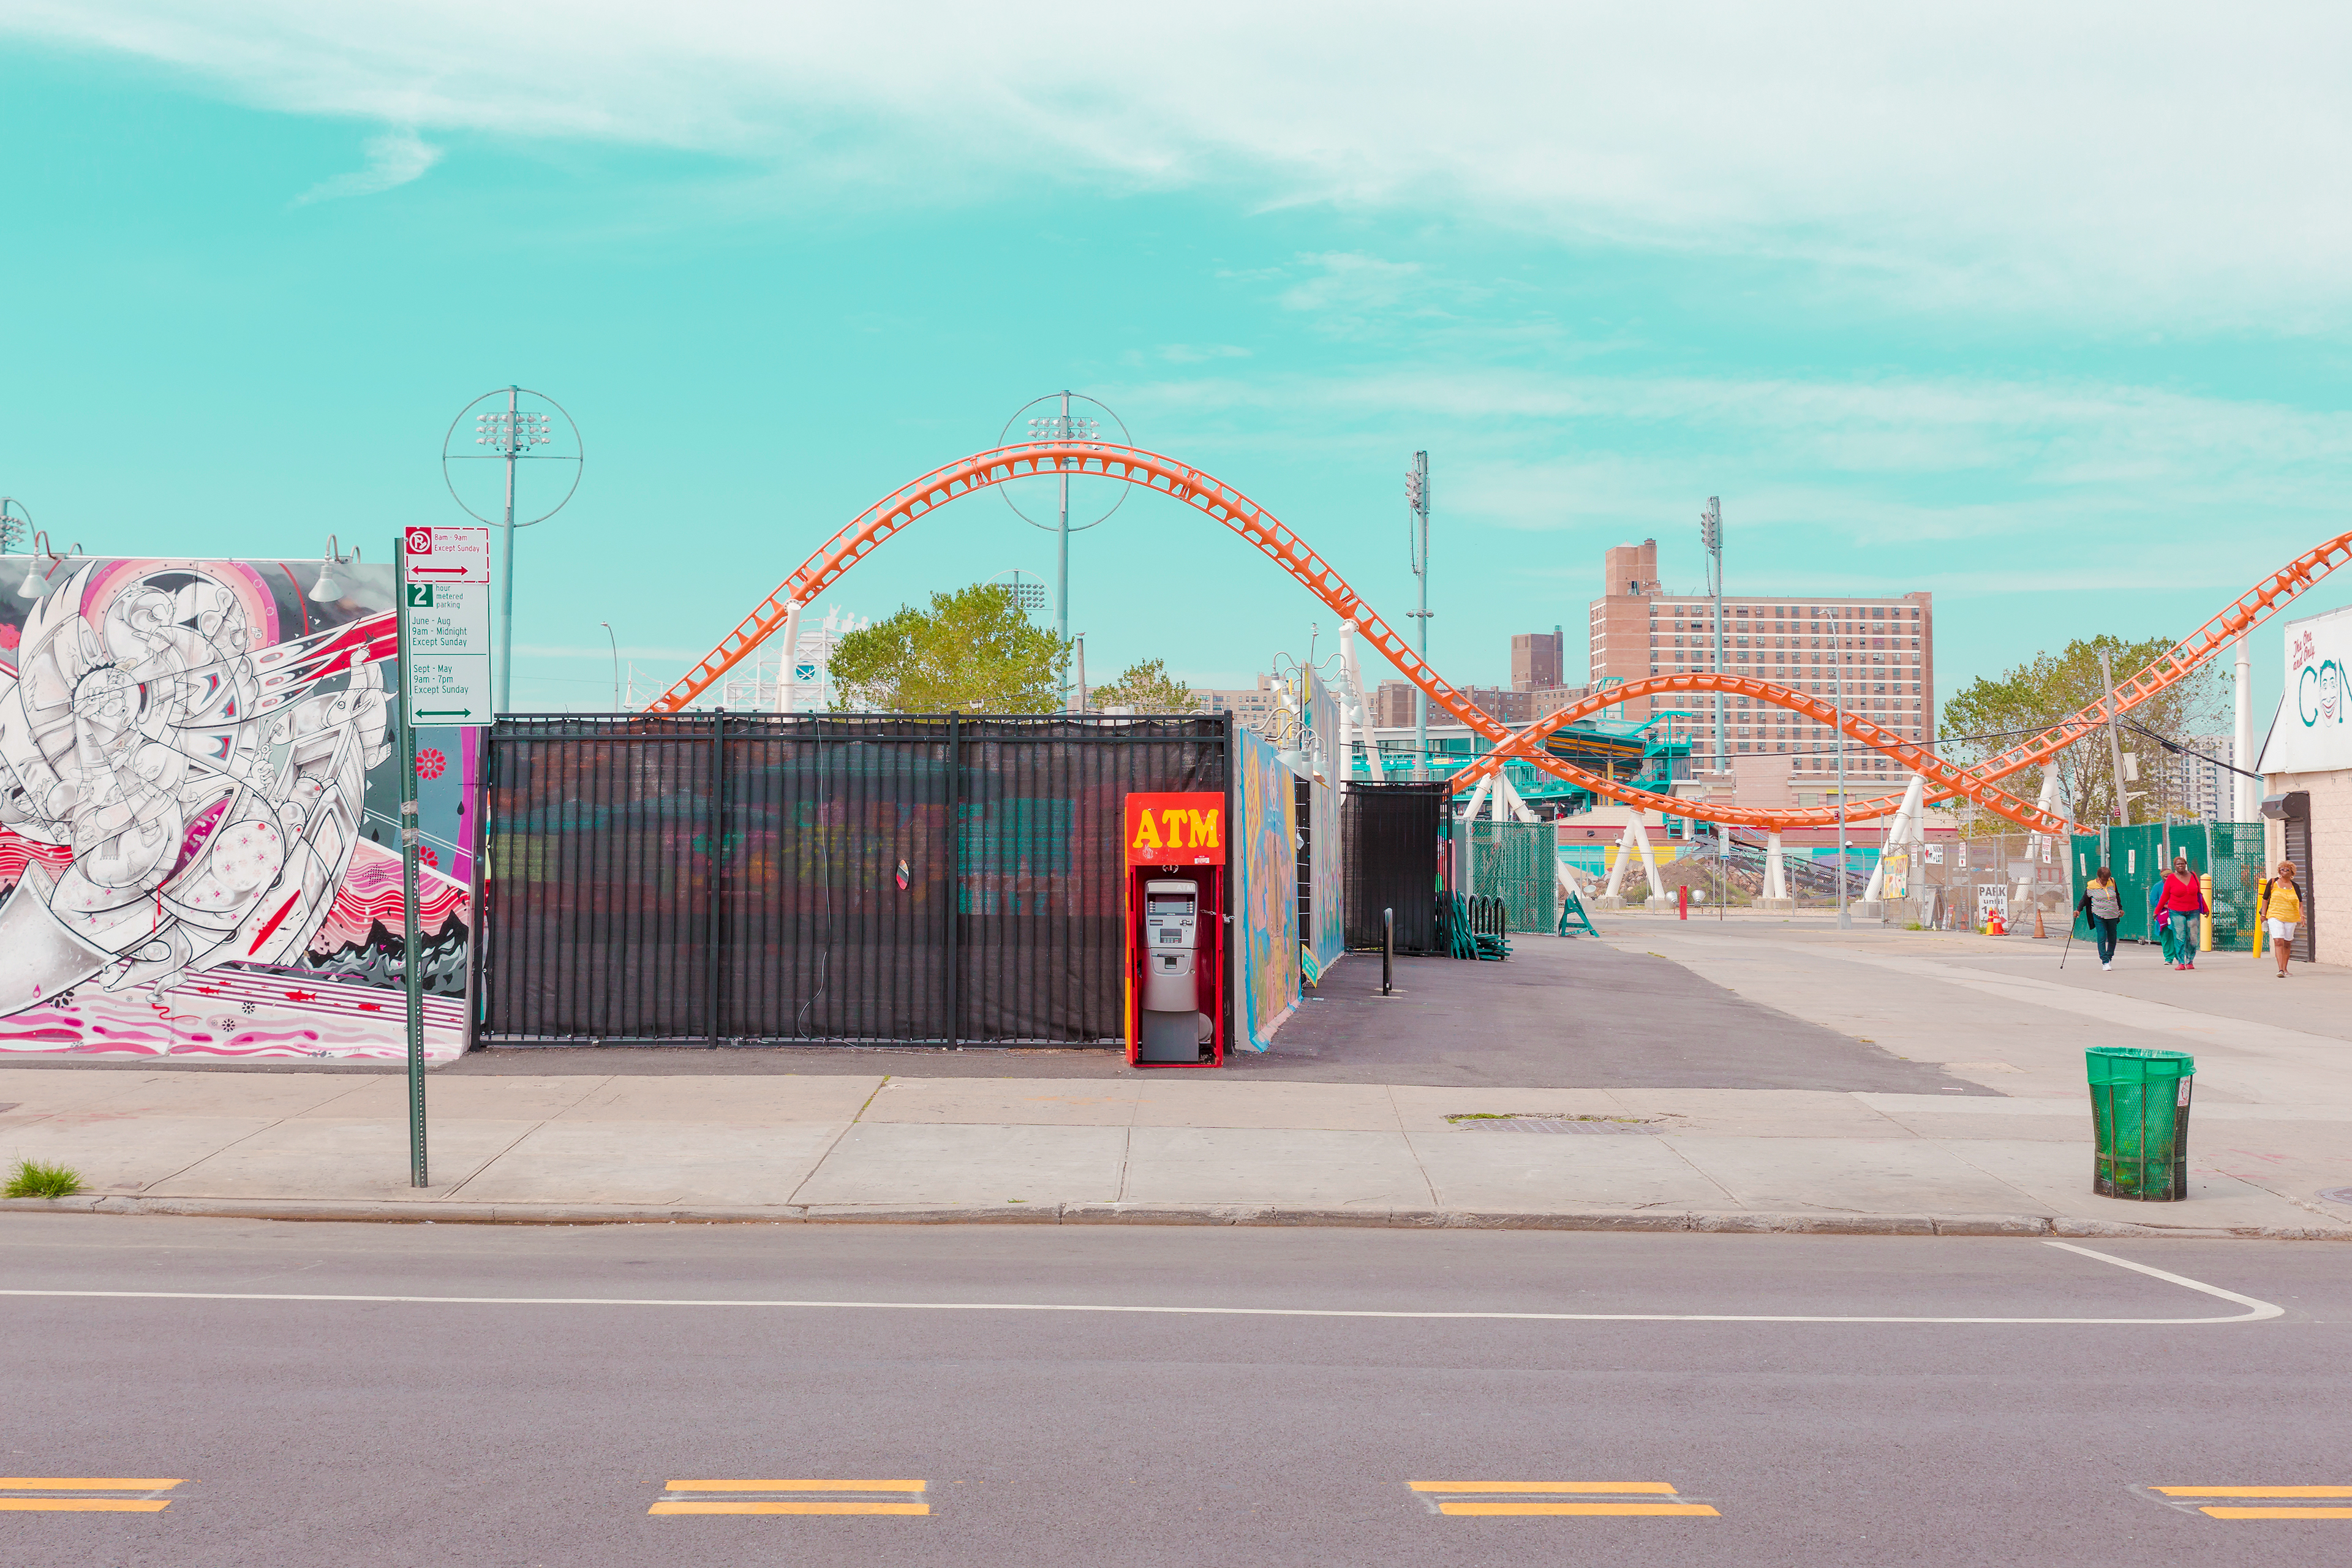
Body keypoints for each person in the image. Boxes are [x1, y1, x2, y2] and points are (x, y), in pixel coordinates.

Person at [2155, 854, 2209, 970]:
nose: (2181, 866)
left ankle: (2190, 961)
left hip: (2193, 910)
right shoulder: (2171, 878)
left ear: (2186, 865)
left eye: (2182, 864)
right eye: (2178, 864)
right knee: (2179, 936)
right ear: (2175, 866)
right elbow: (2165, 896)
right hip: (2177, 911)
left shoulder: (2193, 876)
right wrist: (2157, 910)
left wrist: (2205, 908)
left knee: (2193, 936)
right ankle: (2181, 962)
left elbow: (2199, 894)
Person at [2076, 865, 2123, 970]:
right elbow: (2084, 899)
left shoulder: (2112, 882)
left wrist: (2120, 908)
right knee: (2102, 936)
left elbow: (2117, 896)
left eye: (2107, 879)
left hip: (2112, 914)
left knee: (2112, 937)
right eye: (2103, 880)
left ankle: (2109, 956)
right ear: (2099, 877)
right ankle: (2105, 961)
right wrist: (2078, 910)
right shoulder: (2092, 885)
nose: (2105, 882)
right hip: (2099, 914)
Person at [2264, 861, 2304, 979]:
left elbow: (2300, 903)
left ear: (2292, 872)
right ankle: (2280, 969)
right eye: (2282, 869)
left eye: (2287, 870)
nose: (2284, 872)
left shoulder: (2295, 886)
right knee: (2278, 941)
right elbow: (2265, 899)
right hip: (2275, 915)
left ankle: (2285, 968)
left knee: (2287, 942)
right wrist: (2263, 915)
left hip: (2291, 917)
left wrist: (2302, 916)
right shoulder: (2273, 883)